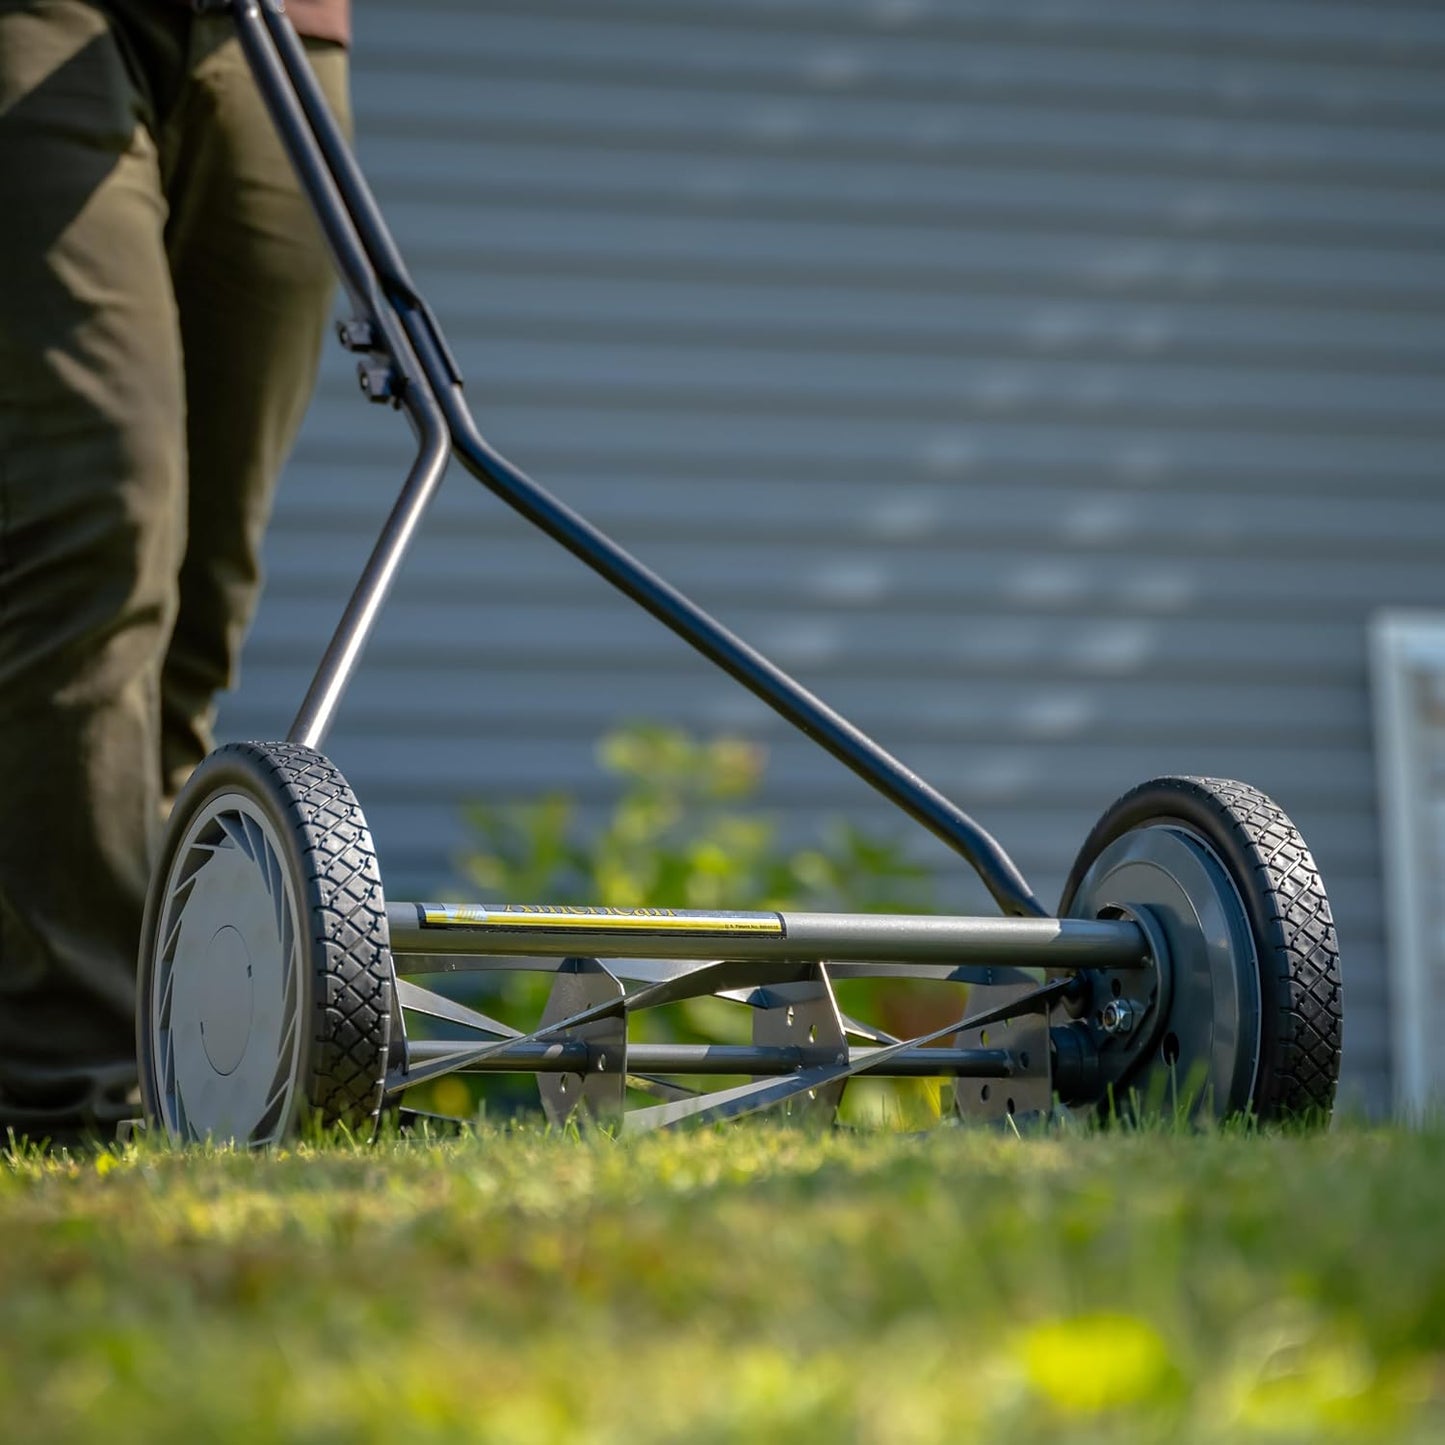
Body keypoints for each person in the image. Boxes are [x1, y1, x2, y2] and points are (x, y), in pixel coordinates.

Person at [0, 0, 351, 1146]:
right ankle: (68, 1095)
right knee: (99, 513)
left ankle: (153, 1066)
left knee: (199, 601)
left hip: (280, 33)